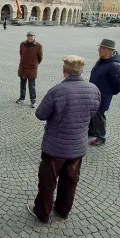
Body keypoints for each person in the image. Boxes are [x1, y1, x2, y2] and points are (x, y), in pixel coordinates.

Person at [28, 55, 101, 223]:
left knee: (48, 182)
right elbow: (94, 111)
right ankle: (62, 211)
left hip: (55, 148)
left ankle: (42, 213)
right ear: (81, 71)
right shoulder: (94, 89)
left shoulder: (57, 91)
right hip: (77, 147)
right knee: (70, 181)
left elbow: (40, 114)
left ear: (64, 71)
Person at [88, 39, 120, 146]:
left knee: (99, 115)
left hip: (103, 96)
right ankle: (92, 131)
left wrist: (107, 93)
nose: (99, 50)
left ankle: (101, 137)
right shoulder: (102, 60)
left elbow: (118, 85)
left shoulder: (114, 66)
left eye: (102, 48)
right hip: (94, 93)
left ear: (109, 50)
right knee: (93, 113)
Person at [17, 31, 43, 108]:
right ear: (27, 37)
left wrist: (34, 64)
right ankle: (22, 98)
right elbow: (21, 54)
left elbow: (40, 57)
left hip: (32, 68)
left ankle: (33, 101)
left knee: (32, 86)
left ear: (34, 37)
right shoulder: (22, 44)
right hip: (23, 67)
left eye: (31, 36)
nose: (30, 37)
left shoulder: (38, 45)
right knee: (22, 84)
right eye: (28, 36)